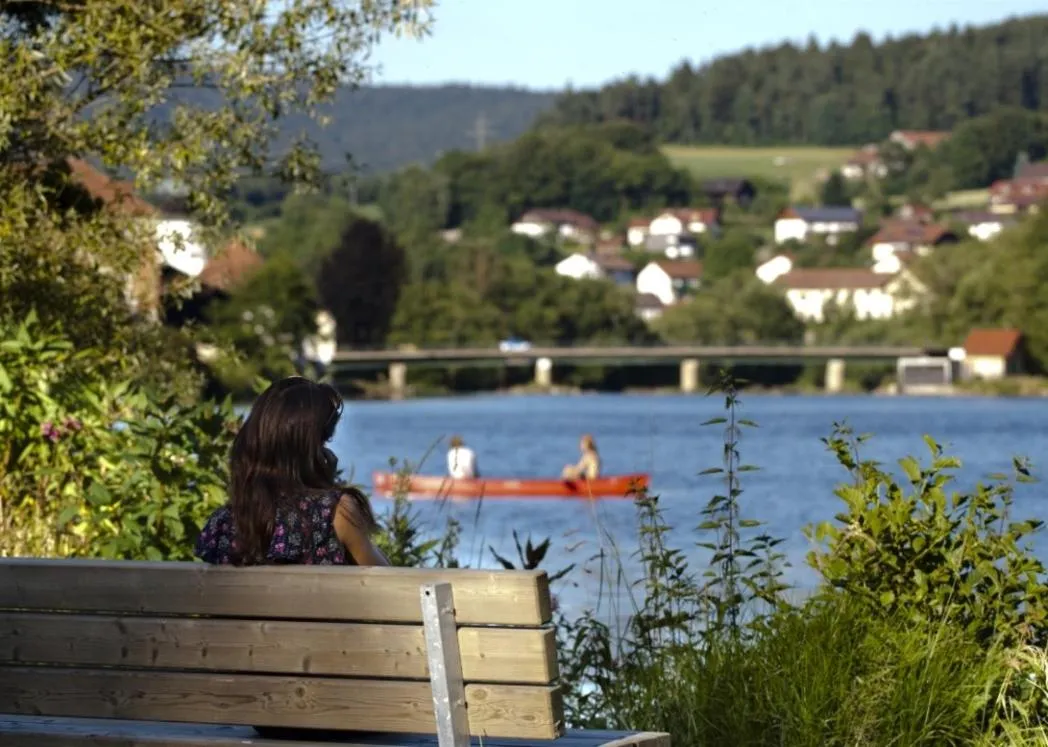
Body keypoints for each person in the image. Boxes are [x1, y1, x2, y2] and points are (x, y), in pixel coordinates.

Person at [194, 376, 388, 567]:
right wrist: (326, 487)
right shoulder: (335, 513)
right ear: (309, 451)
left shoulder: (224, 524)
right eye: (324, 442)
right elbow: (393, 583)